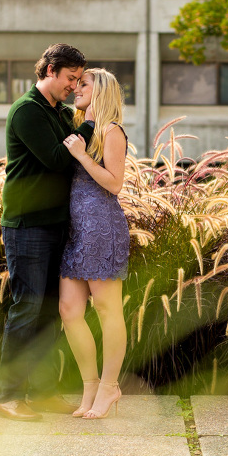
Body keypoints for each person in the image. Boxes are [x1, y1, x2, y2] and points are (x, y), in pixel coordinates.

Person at [0, 44, 88, 421]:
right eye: (70, 78)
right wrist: (91, 124)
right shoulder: (26, 111)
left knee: (52, 312)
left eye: (80, 80)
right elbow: (55, 158)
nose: (74, 85)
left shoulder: (63, 113)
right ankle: (8, 398)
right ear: (49, 70)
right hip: (27, 225)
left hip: (57, 224)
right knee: (27, 308)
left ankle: (44, 392)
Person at [59, 68, 129, 419]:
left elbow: (115, 185)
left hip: (101, 227)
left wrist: (83, 156)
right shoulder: (76, 128)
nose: (76, 89)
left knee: (106, 309)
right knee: (69, 311)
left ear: (100, 91)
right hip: (73, 231)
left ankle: (109, 387)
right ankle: (89, 385)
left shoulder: (110, 131)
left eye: (83, 84)